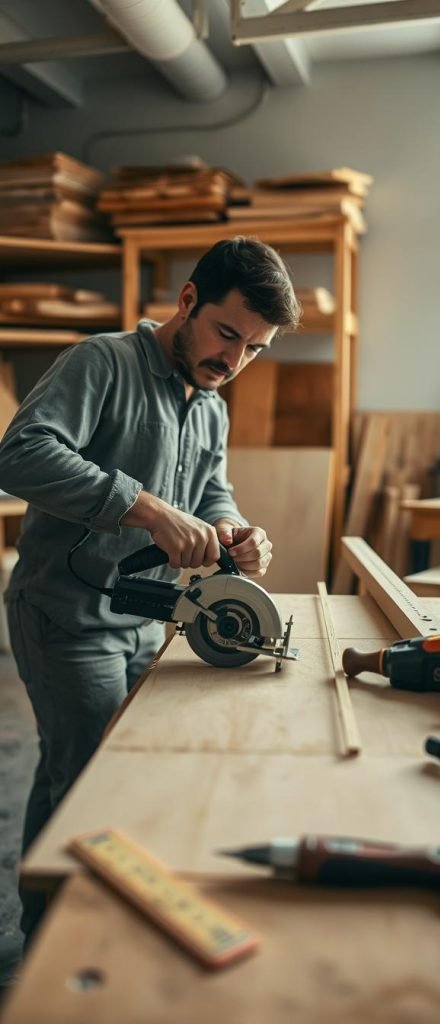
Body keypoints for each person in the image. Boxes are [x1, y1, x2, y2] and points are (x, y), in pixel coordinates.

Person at [0, 235, 300, 939]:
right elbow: (18, 456)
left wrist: (232, 527)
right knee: (87, 781)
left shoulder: (209, 402)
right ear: (187, 300)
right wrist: (149, 508)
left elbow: (211, 488)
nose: (233, 361)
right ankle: (54, 946)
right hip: (65, 614)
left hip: (145, 621)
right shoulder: (101, 361)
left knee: (106, 772)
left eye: (253, 348)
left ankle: (66, 921)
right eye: (227, 334)